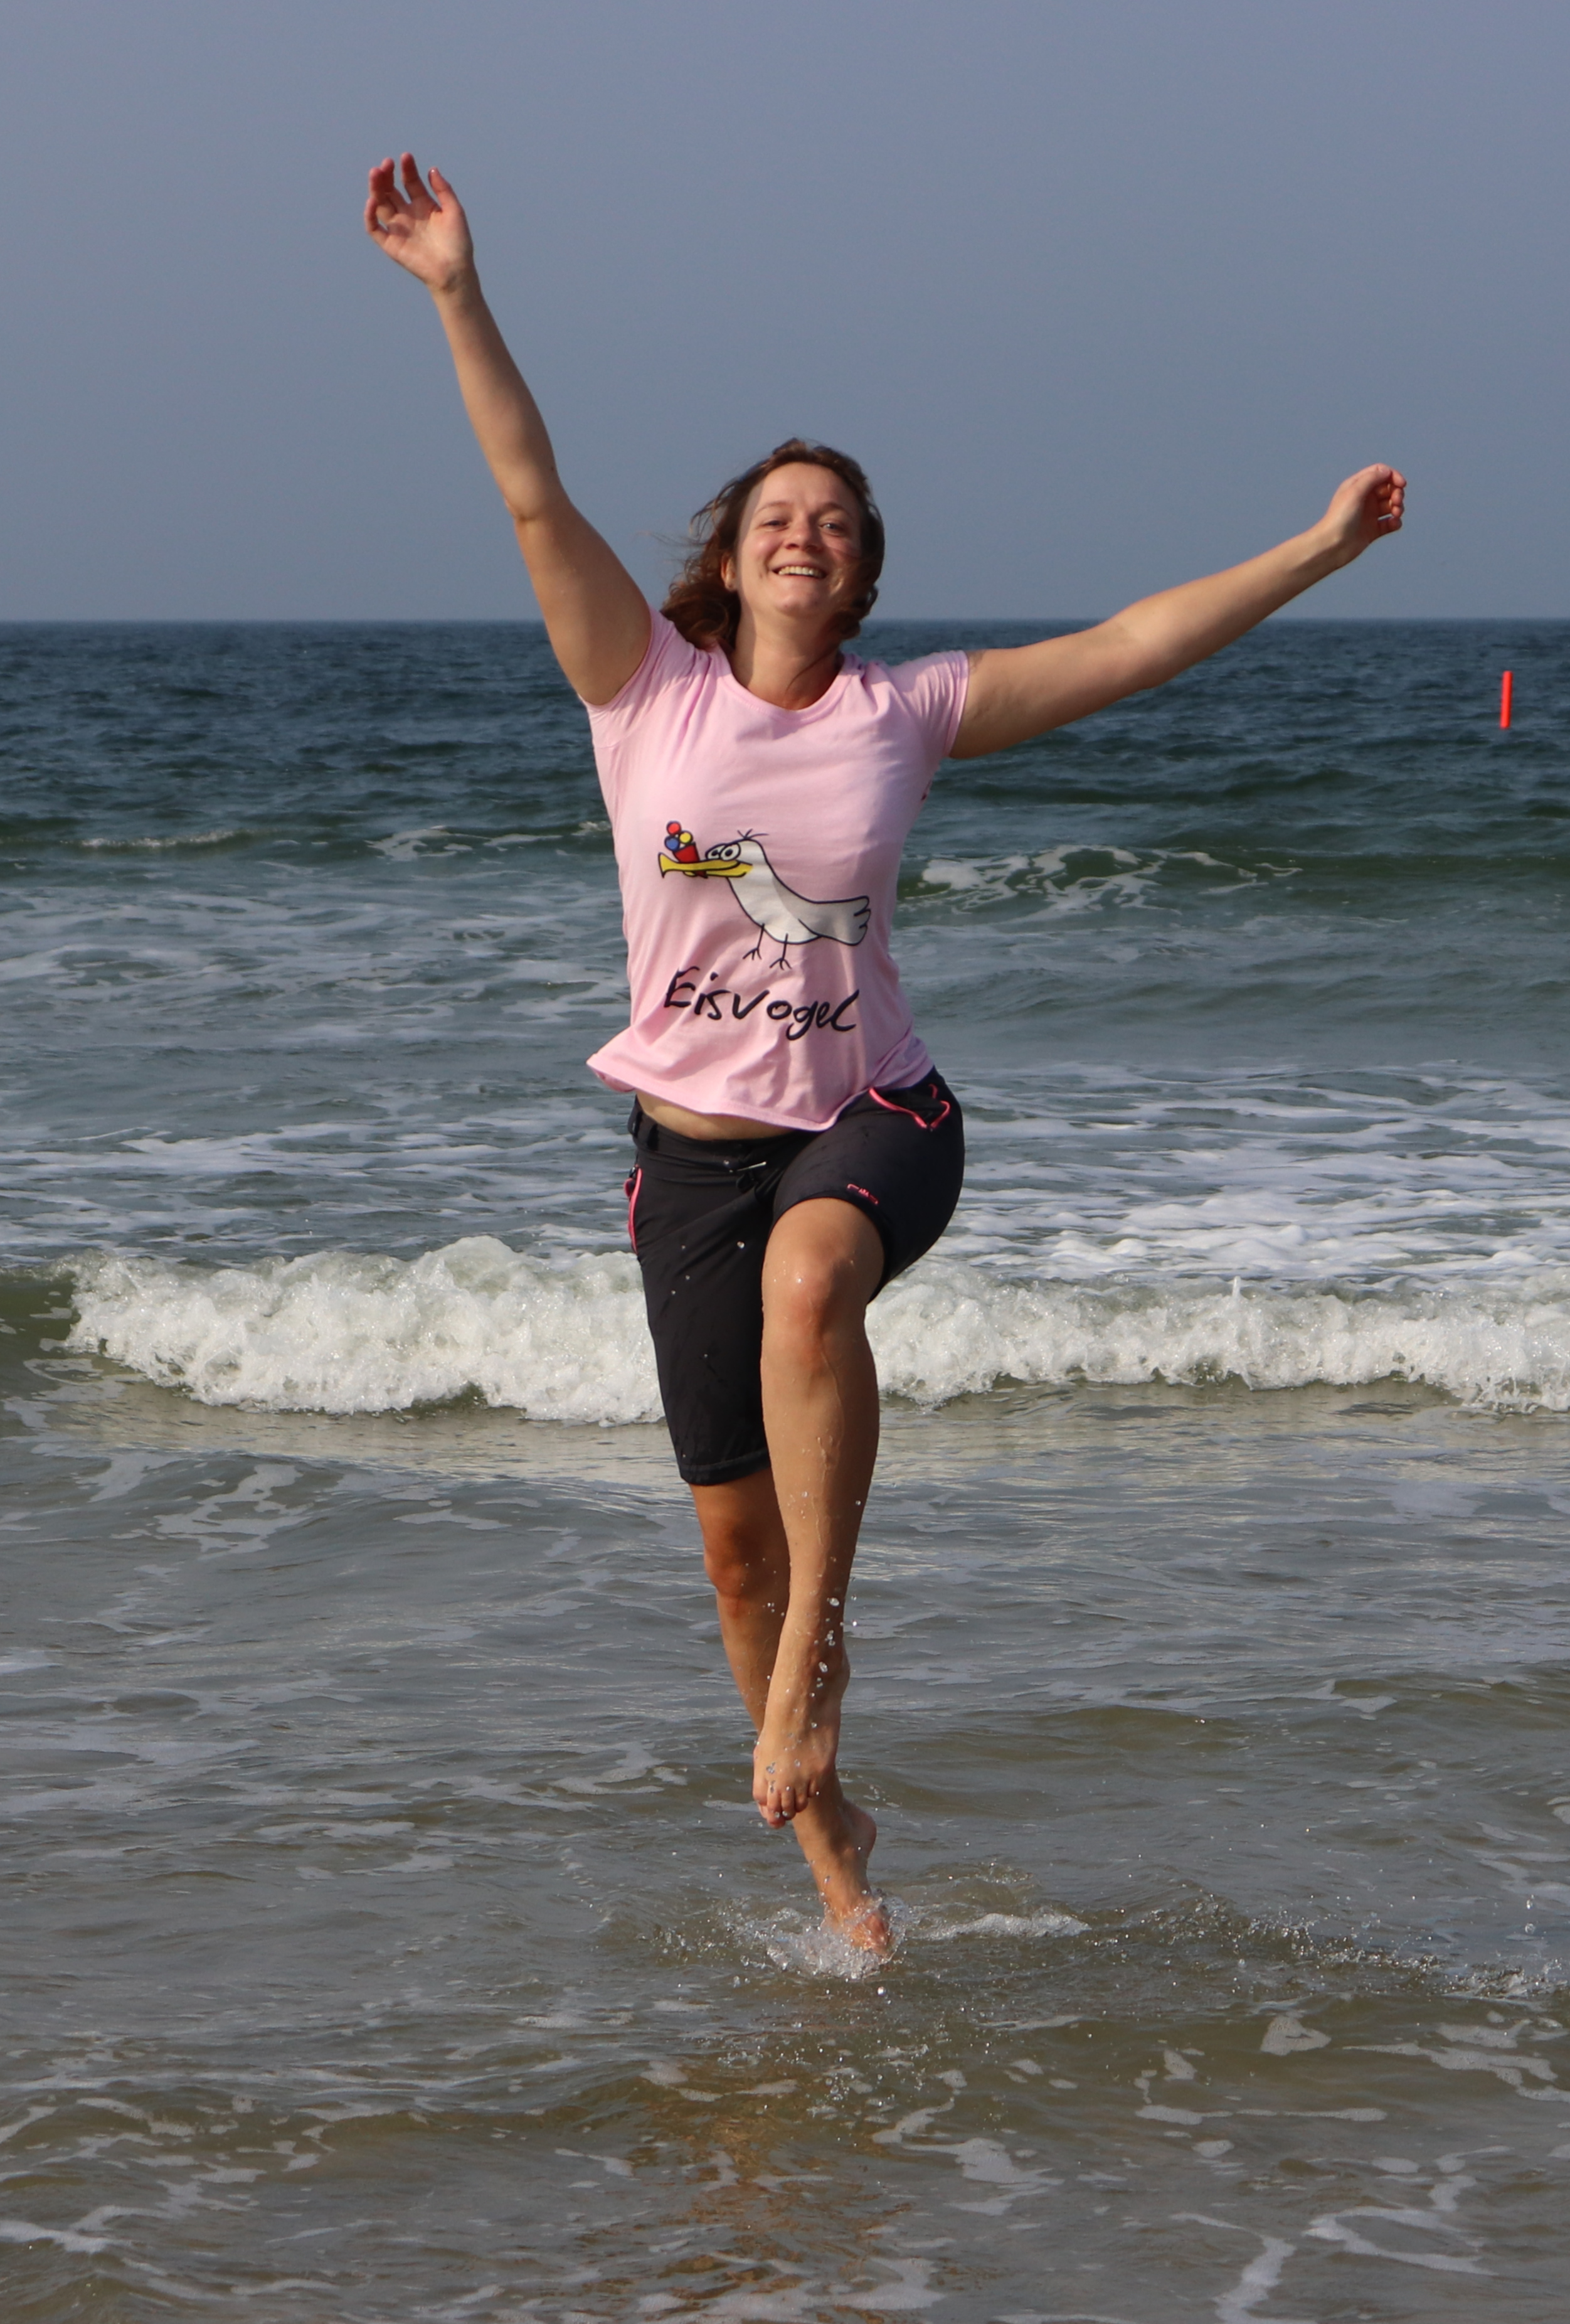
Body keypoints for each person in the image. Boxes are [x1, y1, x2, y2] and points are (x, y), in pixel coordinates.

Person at [366, 152, 1405, 1951]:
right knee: (730, 1554)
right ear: (727, 555)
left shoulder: (903, 712)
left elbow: (1131, 646)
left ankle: (814, 1675)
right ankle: (842, 1867)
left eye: (837, 521)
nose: (805, 532)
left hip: (878, 1116)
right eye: (778, 513)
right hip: (688, 1162)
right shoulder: (643, 688)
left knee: (812, 1285)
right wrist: (458, 290)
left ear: (860, 573)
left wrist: (1318, 549)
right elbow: (534, 494)